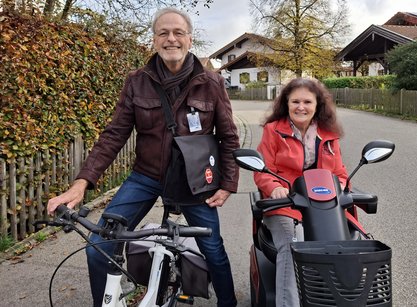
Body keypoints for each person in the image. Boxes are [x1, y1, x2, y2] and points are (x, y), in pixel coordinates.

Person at [47, 7, 239, 307]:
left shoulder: (211, 82)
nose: (171, 39)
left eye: (178, 33)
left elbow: (228, 137)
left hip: (193, 182)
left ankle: (228, 302)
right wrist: (81, 184)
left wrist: (227, 184)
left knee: (212, 248)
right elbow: (114, 134)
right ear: (154, 41)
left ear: (190, 39)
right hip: (146, 176)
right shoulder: (136, 81)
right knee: (99, 246)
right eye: (163, 33)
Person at [253, 77, 348, 307]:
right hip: (285, 204)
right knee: (291, 244)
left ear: (317, 105)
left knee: (347, 244)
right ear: (286, 103)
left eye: (307, 101)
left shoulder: (328, 134)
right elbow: (261, 169)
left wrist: (341, 185)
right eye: (295, 101)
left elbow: (340, 172)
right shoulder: (273, 130)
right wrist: (274, 187)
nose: (301, 107)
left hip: (322, 206)